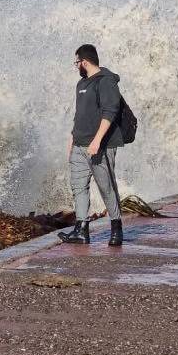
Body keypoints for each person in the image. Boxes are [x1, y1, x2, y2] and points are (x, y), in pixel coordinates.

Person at [58, 44, 125, 247]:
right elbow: (81, 115)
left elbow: (110, 112)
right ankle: (81, 230)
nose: (76, 66)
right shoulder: (81, 84)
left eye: (77, 62)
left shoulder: (106, 81)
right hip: (79, 145)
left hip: (100, 146)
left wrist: (97, 141)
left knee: (106, 187)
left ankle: (116, 228)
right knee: (78, 187)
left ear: (84, 62)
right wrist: (72, 136)